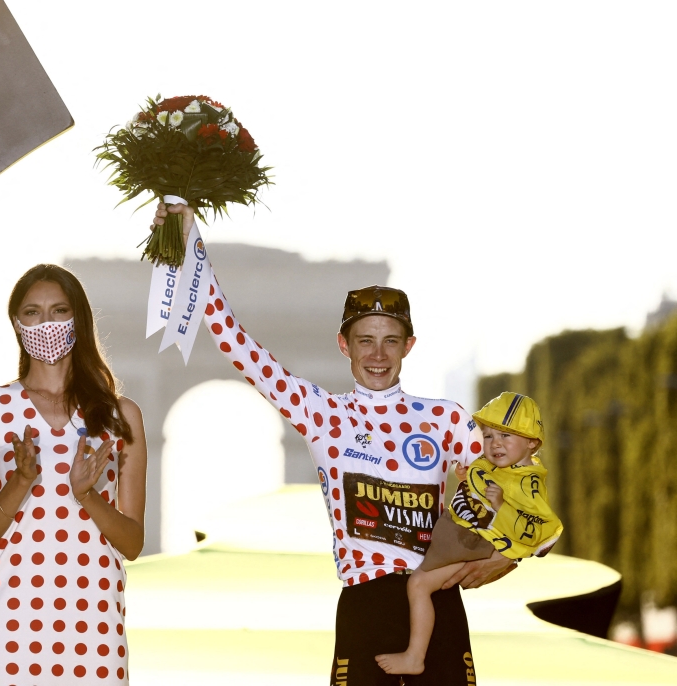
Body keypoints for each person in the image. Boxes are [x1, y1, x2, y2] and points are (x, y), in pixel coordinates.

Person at [152, 202, 516, 685]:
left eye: (391, 340)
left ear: (409, 346)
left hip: (438, 599)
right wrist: (187, 247)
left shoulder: (446, 418)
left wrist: (509, 553)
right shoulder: (321, 413)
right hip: (366, 604)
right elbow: (234, 341)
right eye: (365, 340)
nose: (378, 354)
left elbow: (515, 485)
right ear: (344, 345)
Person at [0, 264, 148, 684]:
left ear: (78, 319)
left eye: (59, 310)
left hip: (94, 625)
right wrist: (22, 481)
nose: (46, 323)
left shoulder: (121, 416)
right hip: (8, 624)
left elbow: (132, 543)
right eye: (33, 312)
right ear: (16, 323)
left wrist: (87, 494)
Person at [375, 392, 563, 675]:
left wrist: (501, 507)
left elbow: (539, 528)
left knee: (418, 585)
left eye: (506, 435)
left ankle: (415, 656)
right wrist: (467, 479)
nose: (495, 443)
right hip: (462, 539)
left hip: (472, 543)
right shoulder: (504, 469)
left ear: (532, 443)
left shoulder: (528, 484)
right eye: (488, 436)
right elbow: (479, 497)